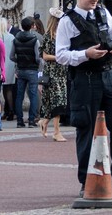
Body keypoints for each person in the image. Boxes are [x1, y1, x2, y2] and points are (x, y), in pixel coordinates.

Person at [54, 0, 112, 198]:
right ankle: (86, 179)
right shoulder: (67, 21)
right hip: (85, 78)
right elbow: (60, 55)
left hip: (109, 75)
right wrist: (84, 54)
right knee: (86, 129)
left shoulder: (103, 13)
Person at [39, 8, 68, 142]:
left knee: (58, 101)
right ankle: (56, 131)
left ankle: (44, 121)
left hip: (61, 71)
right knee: (57, 101)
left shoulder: (62, 35)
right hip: (52, 71)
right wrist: (59, 57)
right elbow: (44, 56)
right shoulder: (47, 36)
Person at [13, 16, 41, 128]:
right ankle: (31, 120)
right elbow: (38, 57)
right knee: (33, 95)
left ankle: (19, 121)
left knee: (19, 95)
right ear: (32, 26)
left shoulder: (15, 39)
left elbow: (11, 56)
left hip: (21, 69)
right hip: (32, 69)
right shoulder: (35, 40)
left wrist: (19, 60)